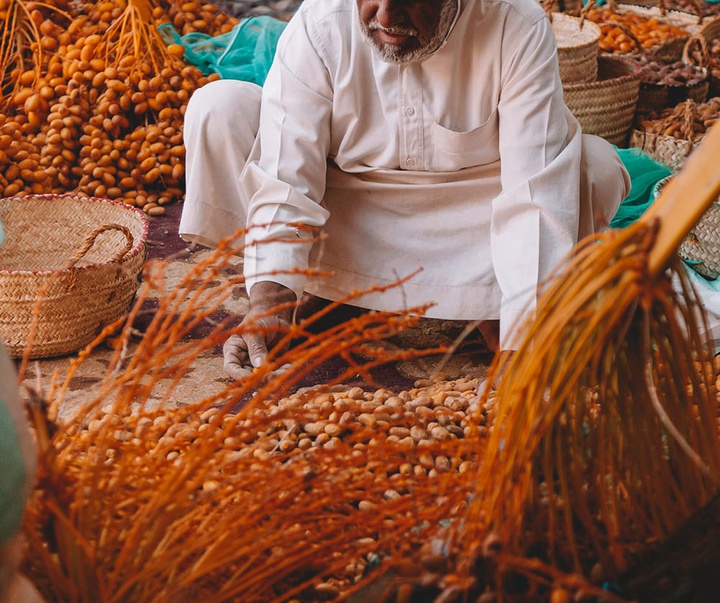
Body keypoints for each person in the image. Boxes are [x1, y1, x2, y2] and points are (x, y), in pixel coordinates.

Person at [179, 0, 631, 379]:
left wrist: (525, 337)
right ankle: (315, 287)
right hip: (346, 210)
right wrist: (271, 299)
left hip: (471, 217)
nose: (387, 17)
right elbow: (285, 175)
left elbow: (532, 194)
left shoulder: (515, 23)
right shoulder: (321, 22)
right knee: (219, 109)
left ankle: (487, 304)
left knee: (595, 167)